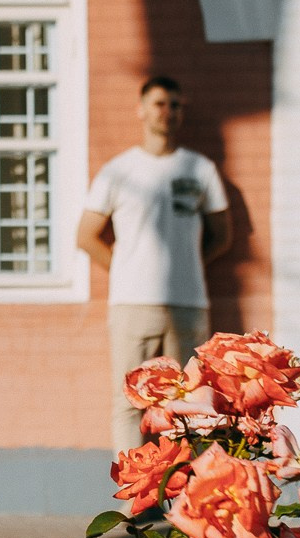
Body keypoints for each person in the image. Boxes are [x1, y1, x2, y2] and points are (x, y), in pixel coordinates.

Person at [75, 75, 233, 452]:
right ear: (142, 110)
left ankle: (189, 499)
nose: (168, 112)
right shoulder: (119, 171)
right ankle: (135, 501)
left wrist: (190, 264)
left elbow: (222, 236)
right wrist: (126, 270)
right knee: (130, 400)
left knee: (192, 403)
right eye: (160, 103)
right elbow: (85, 236)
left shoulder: (200, 168)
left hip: (188, 304)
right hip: (133, 305)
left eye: (175, 105)